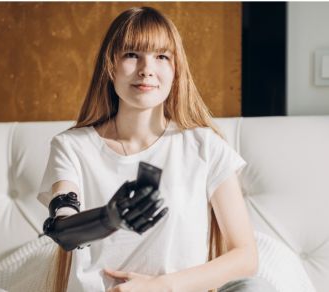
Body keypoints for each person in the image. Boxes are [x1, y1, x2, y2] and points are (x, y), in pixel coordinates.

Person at [37, 6, 275, 292]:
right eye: (131, 54)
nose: (146, 69)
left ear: (176, 70)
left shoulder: (205, 146)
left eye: (161, 56)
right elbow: (64, 229)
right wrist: (108, 218)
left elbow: (245, 258)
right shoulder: (72, 146)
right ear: (110, 66)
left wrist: (162, 286)